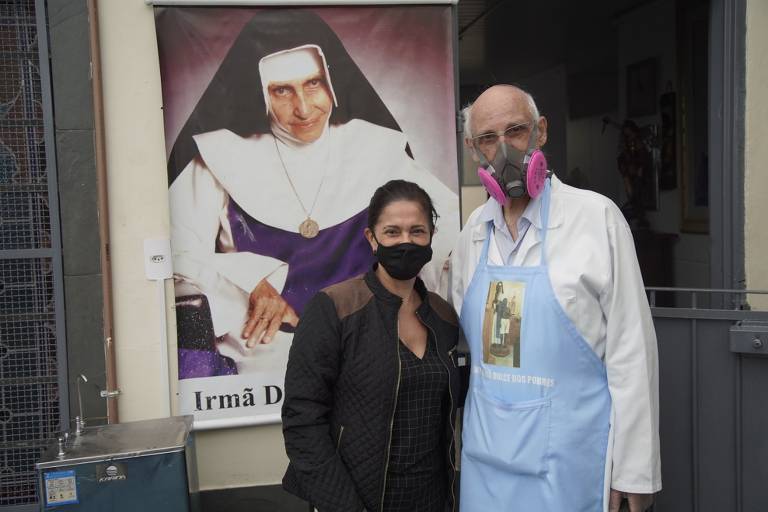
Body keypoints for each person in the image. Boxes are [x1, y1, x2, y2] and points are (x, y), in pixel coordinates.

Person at [167, 10, 458, 377]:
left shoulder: (374, 148)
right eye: (282, 90)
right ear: (260, 94)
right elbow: (173, 252)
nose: (303, 108)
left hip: (369, 343)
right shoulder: (218, 158)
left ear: (332, 81)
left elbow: (449, 237)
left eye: (313, 83)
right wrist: (252, 279)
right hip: (263, 356)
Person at [451, 85, 660, 512]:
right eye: (488, 139)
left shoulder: (595, 218)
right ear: (473, 151)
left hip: (570, 464)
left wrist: (634, 471)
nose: (503, 149)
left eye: (515, 131)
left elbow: (631, 352)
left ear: (541, 132)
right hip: (487, 461)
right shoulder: (474, 230)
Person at [282, 180, 462, 512]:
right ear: (372, 238)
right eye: (392, 232)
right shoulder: (334, 308)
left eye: (417, 231)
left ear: (431, 236)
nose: (405, 242)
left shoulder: (444, 317)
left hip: (434, 498)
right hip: (359, 501)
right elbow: (302, 419)